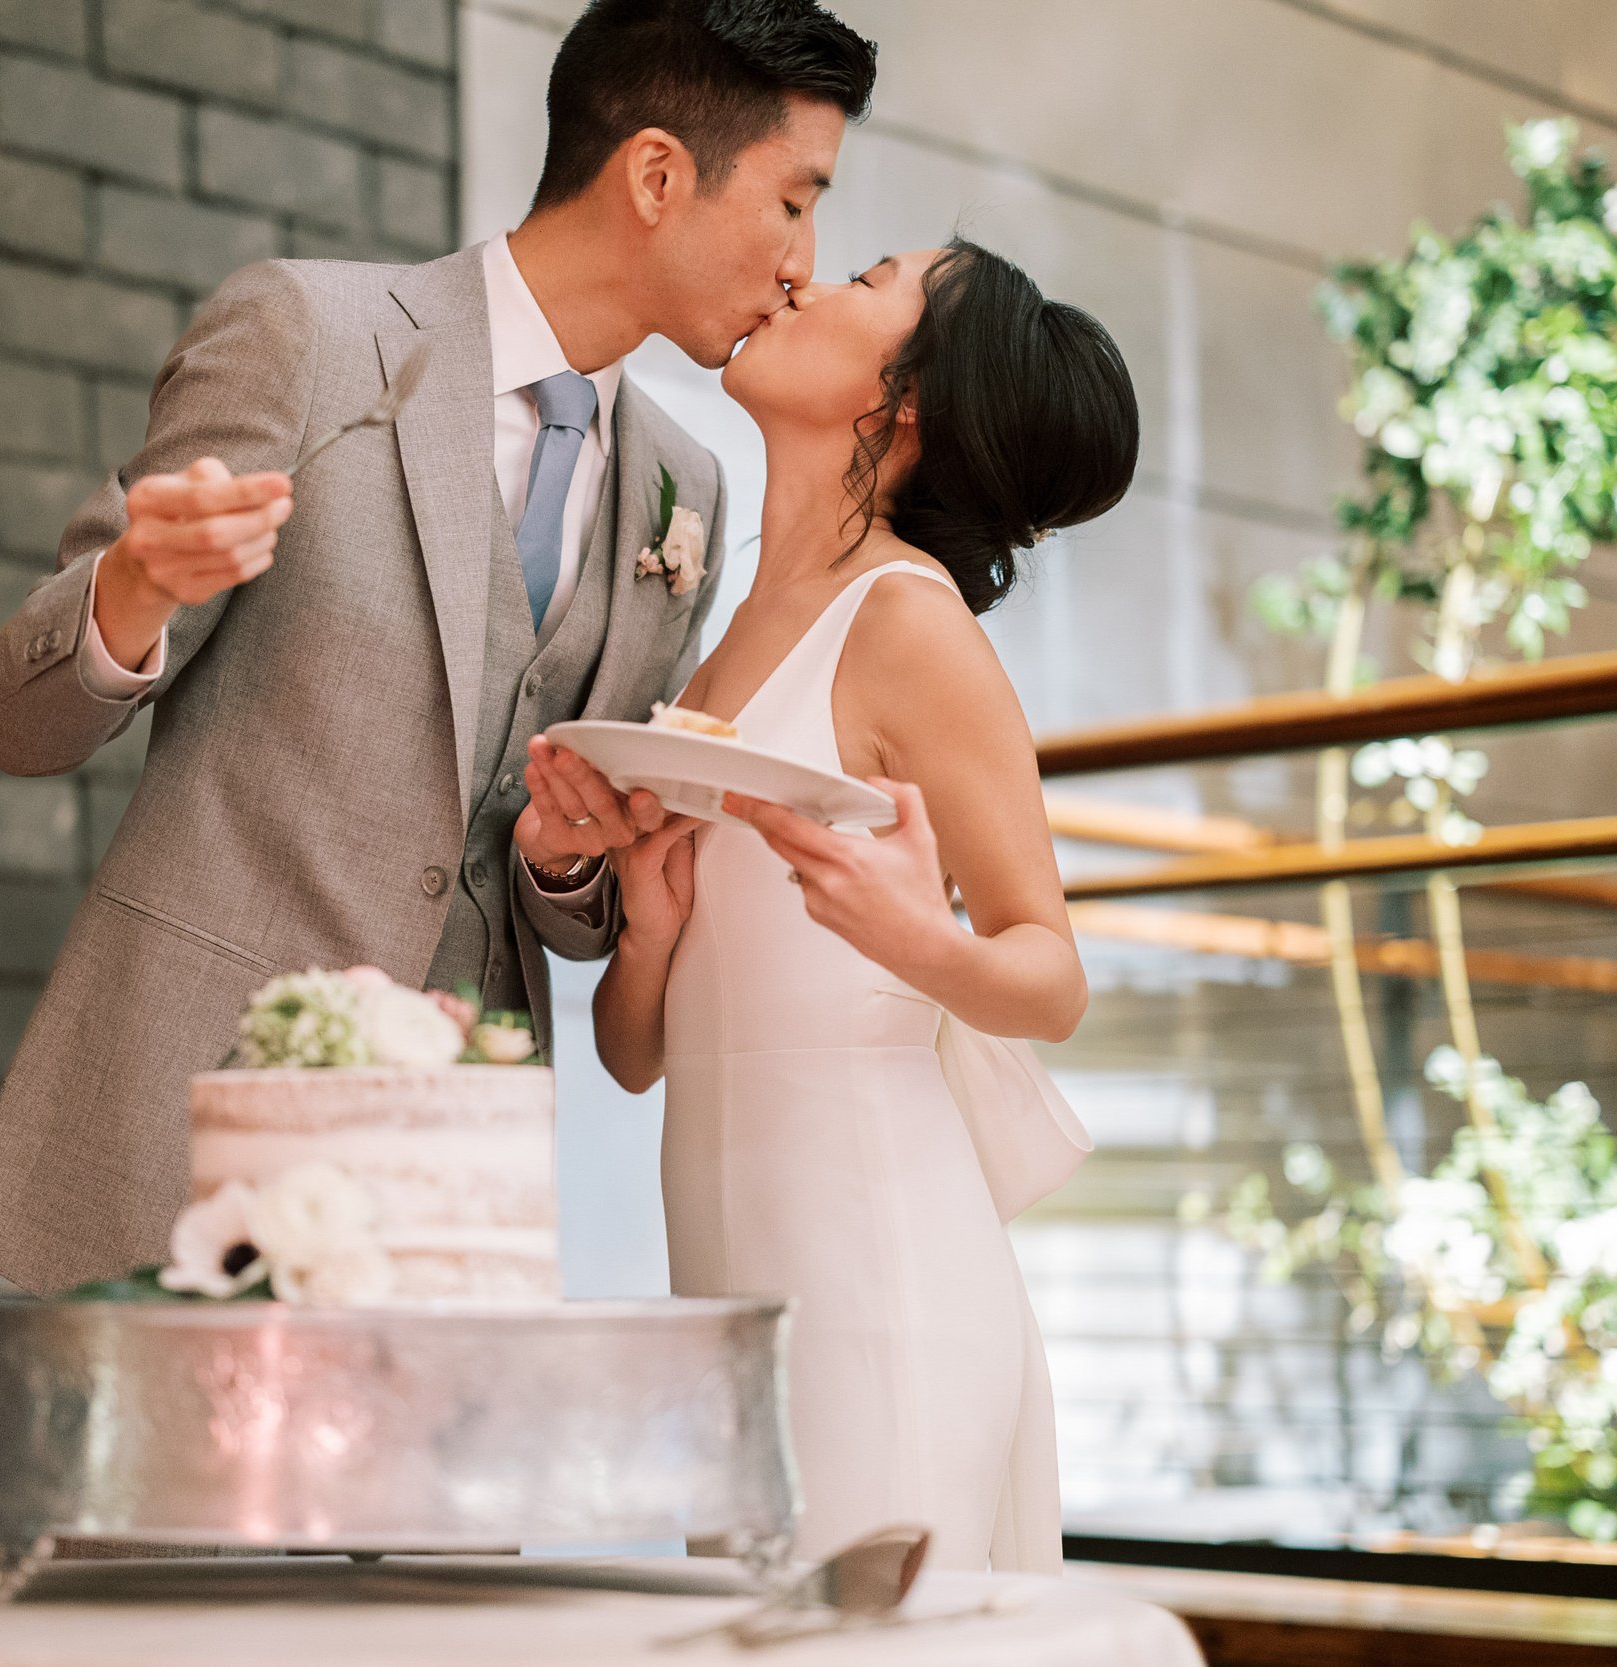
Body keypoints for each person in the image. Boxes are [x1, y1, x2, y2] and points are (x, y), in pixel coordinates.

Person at [0, 0, 879, 1297]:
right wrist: (136, 588)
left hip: (455, 1207)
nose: (804, 261)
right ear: (658, 174)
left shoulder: (685, 489)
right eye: (795, 201)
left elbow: (571, 901)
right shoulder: (308, 338)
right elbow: (13, 722)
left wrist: (563, 861)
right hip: (181, 1148)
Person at [577, 239, 1140, 1568]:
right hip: (722, 1280)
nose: (804, 280)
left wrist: (917, 941)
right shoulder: (719, 645)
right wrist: (648, 933)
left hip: (881, 1282)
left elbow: (1048, 972)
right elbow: (633, 1056)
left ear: (912, 399)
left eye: (871, 277)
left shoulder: (907, 624)